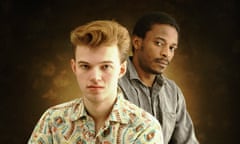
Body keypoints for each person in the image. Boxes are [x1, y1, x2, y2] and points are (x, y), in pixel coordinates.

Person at [28, 20, 164, 144]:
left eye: (105, 66)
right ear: (74, 67)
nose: (95, 77)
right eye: (85, 66)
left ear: (122, 69)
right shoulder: (52, 121)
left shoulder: (146, 128)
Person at [118, 12, 199, 144]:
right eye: (159, 43)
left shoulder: (173, 92)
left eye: (172, 48)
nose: (166, 53)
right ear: (137, 42)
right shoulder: (113, 84)